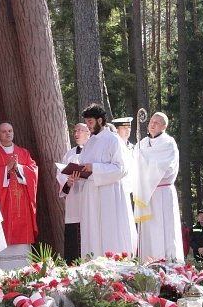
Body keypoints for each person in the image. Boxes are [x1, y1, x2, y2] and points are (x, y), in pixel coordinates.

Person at [77, 103, 136, 257]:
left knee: (110, 229)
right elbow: (83, 165)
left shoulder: (113, 140)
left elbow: (121, 168)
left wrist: (94, 168)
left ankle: (114, 263)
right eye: (87, 122)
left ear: (100, 120)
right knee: (92, 231)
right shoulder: (89, 143)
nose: (88, 126)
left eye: (90, 122)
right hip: (91, 194)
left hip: (110, 193)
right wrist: (77, 173)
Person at [0, 123, 38, 269]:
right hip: (3, 203)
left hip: (22, 203)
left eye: (10, 131)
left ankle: (24, 269)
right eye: (4, 131)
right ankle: (2, 269)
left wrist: (19, 169)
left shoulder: (23, 153)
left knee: (22, 232)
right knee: (3, 230)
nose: (8, 134)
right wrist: (6, 169)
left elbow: (34, 171)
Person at [133, 112, 183, 261]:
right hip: (145, 194)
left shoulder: (168, 143)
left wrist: (144, 157)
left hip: (162, 192)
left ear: (164, 126)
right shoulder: (141, 143)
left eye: (157, 122)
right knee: (148, 232)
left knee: (164, 231)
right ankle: (146, 264)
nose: (152, 124)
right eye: (151, 121)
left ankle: (167, 263)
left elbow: (165, 167)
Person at [56, 123, 90, 263]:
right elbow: (61, 174)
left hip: (88, 198)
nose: (76, 133)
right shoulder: (69, 154)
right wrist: (68, 181)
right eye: (74, 130)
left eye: (80, 131)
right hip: (74, 202)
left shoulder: (92, 152)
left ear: (88, 132)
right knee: (73, 239)